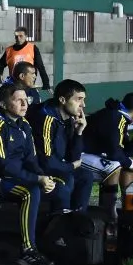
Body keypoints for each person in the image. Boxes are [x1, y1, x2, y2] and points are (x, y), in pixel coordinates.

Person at [0, 83, 57, 265]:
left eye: (27, 100)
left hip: (12, 175)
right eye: (19, 100)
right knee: (30, 192)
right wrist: (35, 180)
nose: (25, 104)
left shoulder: (23, 124)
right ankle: (27, 251)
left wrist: (44, 177)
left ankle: (54, 238)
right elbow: (2, 165)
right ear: (3, 103)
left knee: (58, 184)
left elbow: (31, 159)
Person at [27, 80, 94, 212]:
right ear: (62, 100)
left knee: (85, 176)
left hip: (55, 165)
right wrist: (71, 166)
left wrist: (78, 133)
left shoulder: (68, 118)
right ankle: (60, 225)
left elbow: (72, 156)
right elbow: (46, 162)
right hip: (35, 168)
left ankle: (79, 219)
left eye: (83, 99)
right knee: (67, 178)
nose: (83, 105)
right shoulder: (46, 118)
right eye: (78, 99)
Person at [82, 93, 133, 221]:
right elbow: (114, 154)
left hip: (92, 154)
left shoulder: (116, 115)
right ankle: (110, 216)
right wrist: (131, 163)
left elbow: (121, 152)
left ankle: (127, 213)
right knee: (115, 166)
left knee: (126, 166)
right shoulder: (116, 118)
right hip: (78, 155)